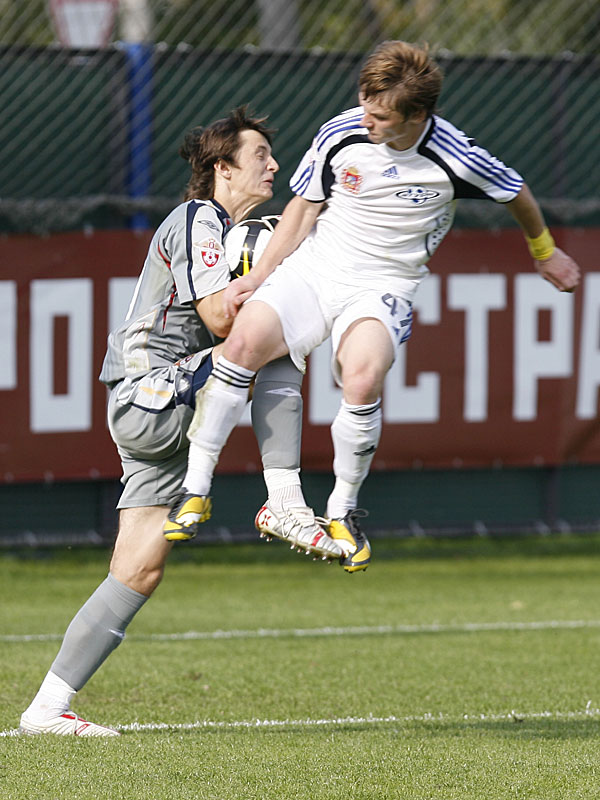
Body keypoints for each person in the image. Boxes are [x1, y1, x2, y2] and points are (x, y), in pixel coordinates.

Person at [167, 41, 581, 564]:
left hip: (384, 285)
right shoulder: (341, 132)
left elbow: (516, 193)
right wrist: (261, 276)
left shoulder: (455, 157)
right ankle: (195, 490)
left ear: (417, 116)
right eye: (364, 104)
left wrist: (544, 252)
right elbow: (303, 209)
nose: (366, 120)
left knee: (362, 378)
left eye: (381, 116)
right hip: (316, 269)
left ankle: (343, 510)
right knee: (243, 343)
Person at [19, 106, 343, 739]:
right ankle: (285, 501)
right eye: (260, 155)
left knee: (138, 569)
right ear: (223, 168)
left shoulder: (231, 230)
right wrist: (280, 282)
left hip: (171, 410)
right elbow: (222, 319)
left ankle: (46, 708)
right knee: (281, 343)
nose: (273, 165)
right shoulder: (200, 218)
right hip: (151, 391)